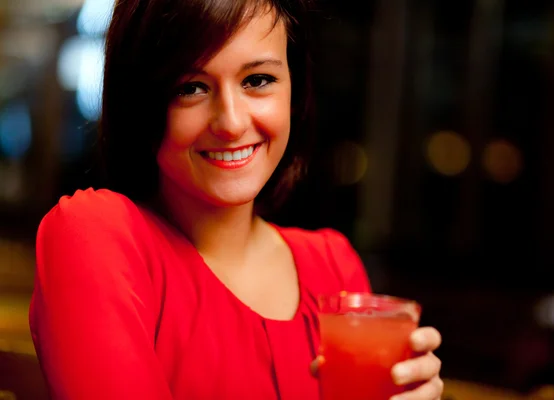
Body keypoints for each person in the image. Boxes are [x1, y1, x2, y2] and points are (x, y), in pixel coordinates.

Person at [29, 0, 444, 399]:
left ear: (294, 90)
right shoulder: (96, 236)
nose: (230, 122)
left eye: (258, 80)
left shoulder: (333, 266)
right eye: (190, 87)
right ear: (141, 102)